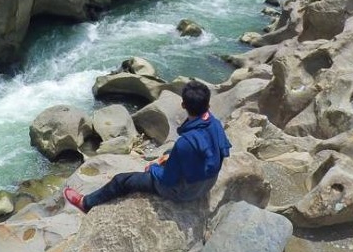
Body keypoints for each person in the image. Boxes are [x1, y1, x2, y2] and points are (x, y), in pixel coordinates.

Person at [63, 79, 231, 212]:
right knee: (169, 150)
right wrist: (171, 158)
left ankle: (86, 203)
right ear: (208, 105)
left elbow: (167, 180)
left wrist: (153, 168)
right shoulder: (215, 124)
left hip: (184, 192)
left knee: (121, 180)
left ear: (183, 105)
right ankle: (167, 160)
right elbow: (222, 151)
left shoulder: (185, 144)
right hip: (208, 183)